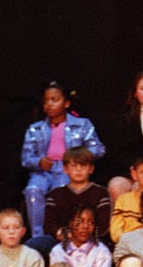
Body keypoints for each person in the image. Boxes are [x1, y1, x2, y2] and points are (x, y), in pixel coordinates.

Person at [21, 80, 105, 238]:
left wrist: (78, 157)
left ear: (66, 103)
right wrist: (39, 162)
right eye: (46, 101)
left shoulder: (82, 125)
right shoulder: (35, 128)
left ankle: (61, 234)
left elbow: (98, 148)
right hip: (43, 171)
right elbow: (25, 157)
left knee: (60, 191)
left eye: (54, 100)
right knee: (33, 190)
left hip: (67, 171)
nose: (49, 105)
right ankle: (38, 238)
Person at [39, 146, 112, 254]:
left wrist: (83, 235)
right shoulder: (55, 195)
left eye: (83, 165)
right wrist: (61, 233)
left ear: (91, 169)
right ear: (65, 169)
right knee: (35, 245)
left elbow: (103, 225)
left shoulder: (101, 193)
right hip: (62, 239)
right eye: (73, 166)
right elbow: (49, 225)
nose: (78, 169)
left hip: (92, 239)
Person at [47, 204, 111, 267]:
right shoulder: (57, 251)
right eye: (79, 222)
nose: (85, 226)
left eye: (90, 222)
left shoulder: (102, 252)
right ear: (70, 223)